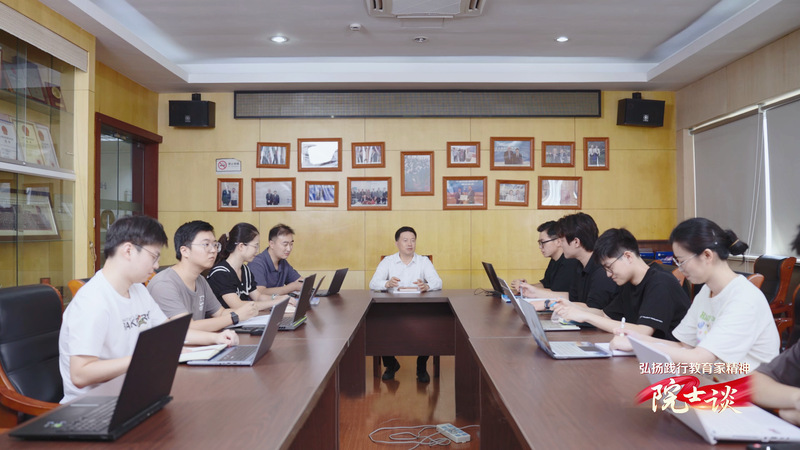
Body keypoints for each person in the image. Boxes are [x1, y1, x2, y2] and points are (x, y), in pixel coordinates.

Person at [59, 216, 238, 403]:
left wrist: (216, 339)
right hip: (93, 404)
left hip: (134, 391)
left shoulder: (138, 290)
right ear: (128, 250)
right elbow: (80, 374)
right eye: (153, 257)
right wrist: (146, 358)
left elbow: (170, 332)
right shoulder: (93, 300)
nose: (156, 266)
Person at [610, 218, 779, 380]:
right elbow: (684, 346)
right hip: (713, 384)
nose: (680, 268)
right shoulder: (707, 291)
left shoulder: (744, 299)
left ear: (707, 255)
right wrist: (637, 339)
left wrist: (638, 345)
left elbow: (699, 359)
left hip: (749, 393)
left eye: (682, 261)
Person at [552, 228, 690, 340]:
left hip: (671, 360)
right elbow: (605, 315)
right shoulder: (628, 283)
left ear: (628, 256)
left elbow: (642, 332)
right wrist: (573, 308)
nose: (608, 274)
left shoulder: (660, 283)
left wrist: (586, 316)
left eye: (609, 267)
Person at [148, 220, 259, 332]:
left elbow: (220, 313)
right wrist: (235, 316)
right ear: (185, 251)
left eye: (215, 244)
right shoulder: (163, 284)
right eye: (206, 244)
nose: (213, 250)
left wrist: (246, 311)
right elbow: (187, 327)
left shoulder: (200, 280)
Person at [369, 226, 442, 382]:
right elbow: (373, 283)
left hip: (419, 308)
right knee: (379, 326)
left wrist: (427, 286)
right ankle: (391, 365)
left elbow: (438, 282)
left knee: (431, 326)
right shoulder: (388, 261)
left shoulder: (423, 261)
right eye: (405, 240)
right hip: (392, 308)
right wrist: (387, 283)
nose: (410, 244)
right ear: (397, 243)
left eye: (413, 240)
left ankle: (421, 366)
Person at [535, 213, 618, 308]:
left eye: (562, 241)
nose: (560, 245)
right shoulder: (579, 265)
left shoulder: (602, 271)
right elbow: (572, 298)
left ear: (576, 242)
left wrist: (548, 304)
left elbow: (593, 310)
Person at [207, 222, 291, 312]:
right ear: (241, 246)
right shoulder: (220, 273)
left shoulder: (245, 270)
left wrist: (278, 298)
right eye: (255, 246)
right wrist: (275, 302)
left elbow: (258, 297)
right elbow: (238, 305)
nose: (257, 250)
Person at [512, 220, 581, 300]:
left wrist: (529, 289)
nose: (540, 247)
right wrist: (525, 286)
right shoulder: (554, 260)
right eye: (539, 243)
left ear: (558, 241)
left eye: (543, 242)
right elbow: (545, 284)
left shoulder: (570, 262)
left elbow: (555, 293)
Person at [249, 223, 304, 296]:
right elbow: (260, 293)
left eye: (291, 244)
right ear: (272, 244)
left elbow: (300, 282)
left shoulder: (283, 262)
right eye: (285, 244)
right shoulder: (256, 263)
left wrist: (301, 284)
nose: (289, 249)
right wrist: (291, 287)